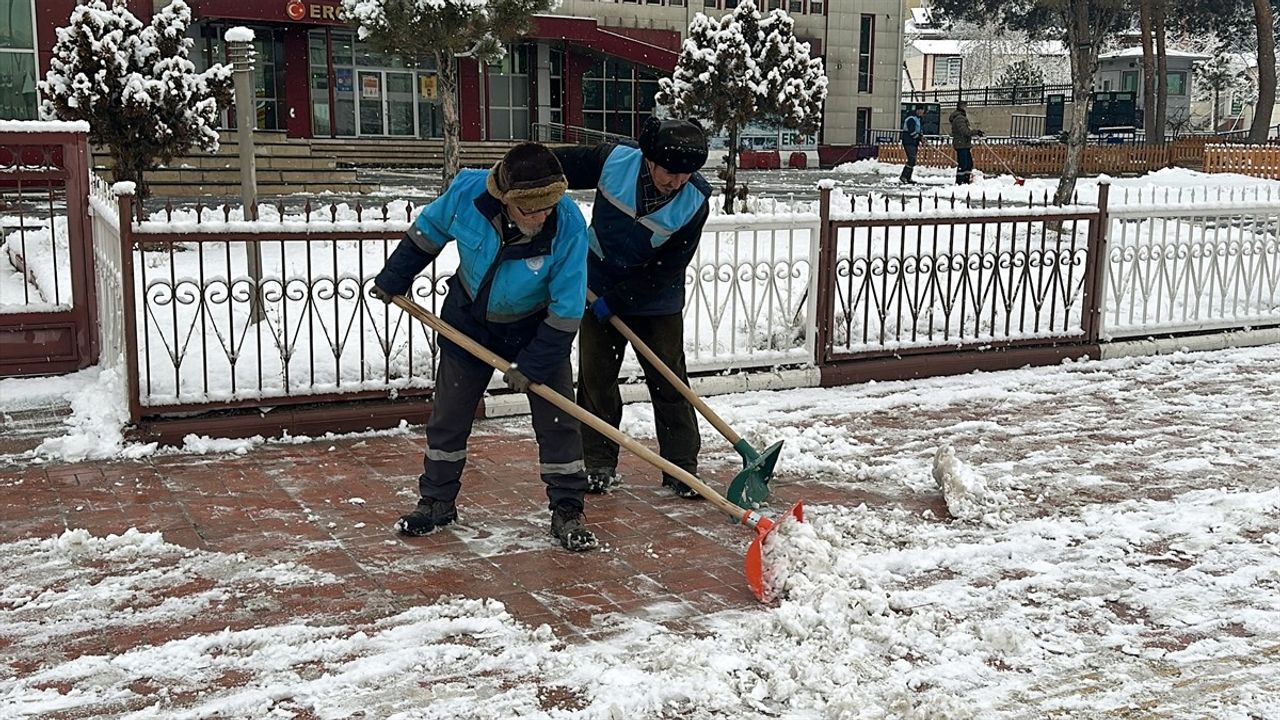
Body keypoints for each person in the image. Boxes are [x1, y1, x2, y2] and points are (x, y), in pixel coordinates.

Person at [369, 142, 597, 552]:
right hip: (469, 322)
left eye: (549, 205)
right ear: (506, 199)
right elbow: (428, 232)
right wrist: (394, 276)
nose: (542, 215)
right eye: (531, 208)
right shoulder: (468, 192)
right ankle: (437, 502)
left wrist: (535, 363)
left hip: (536, 326)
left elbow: (566, 308)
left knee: (559, 421)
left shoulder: (568, 224)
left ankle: (568, 508)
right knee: (449, 418)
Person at [552, 117, 712, 499]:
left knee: (669, 379)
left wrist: (621, 300)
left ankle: (681, 467)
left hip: (657, 296)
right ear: (649, 159)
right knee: (596, 378)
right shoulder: (614, 161)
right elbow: (554, 168)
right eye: (670, 172)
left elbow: (668, 267)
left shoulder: (696, 200)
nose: (677, 182)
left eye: (686, 175)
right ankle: (598, 463)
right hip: (597, 281)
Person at [949, 100, 984, 184]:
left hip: (964, 143)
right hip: (961, 144)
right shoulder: (959, 118)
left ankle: (966, 180)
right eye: (965, 106)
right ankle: (960, 181)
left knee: (968, 164)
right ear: (961, 107)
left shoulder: (961, 117)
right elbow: (965, 131)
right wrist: (976, 132)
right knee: (964, 164)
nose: (966, 108)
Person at [900, 104, 927, 184]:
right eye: (921, 110)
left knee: (913, 160)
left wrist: (922, 138)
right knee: (911, 159)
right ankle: (904, 176)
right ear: (917, 110)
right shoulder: (911, 119)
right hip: (909, 141)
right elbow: (912, 132)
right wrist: (919, 138)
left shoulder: (918, 119)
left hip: (914, 142)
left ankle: (908, 177)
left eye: (923, 111)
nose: (922, 112)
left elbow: (919, 131)